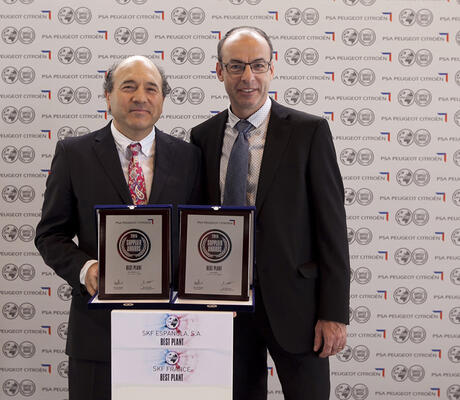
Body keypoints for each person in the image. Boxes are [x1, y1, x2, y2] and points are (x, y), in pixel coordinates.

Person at [190, 27, 350, 400]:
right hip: (225, 307)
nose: (248, 77)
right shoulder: (202, 137)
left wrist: (334, 312)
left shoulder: (309, 132)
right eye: (236, 66)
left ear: (271, 69)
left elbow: (332, 228)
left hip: (299, 309)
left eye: (257, 65)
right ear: (219, 71)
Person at [35, 56, 202, 400]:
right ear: (108, 96)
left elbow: (200, 234)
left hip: (171, 334)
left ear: (162, 100)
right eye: (129, 87)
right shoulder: (74, 154)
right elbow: (50, 234)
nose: (140, 97)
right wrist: (86, 268)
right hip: (98, 332)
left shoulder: (189, 158)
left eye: (151, 89)